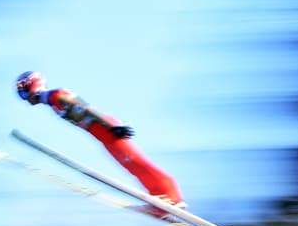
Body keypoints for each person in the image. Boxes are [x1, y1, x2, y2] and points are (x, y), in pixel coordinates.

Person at [14, 71, 185, 208]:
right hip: (101, 132)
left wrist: (112, 127)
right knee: (130, 165)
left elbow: (85, 107)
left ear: (32, 86)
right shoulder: (50, 101)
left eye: (23, 93)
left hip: (106, 128)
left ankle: (171, 196)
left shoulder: (56, 95)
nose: (25, 99)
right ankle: (160, 199)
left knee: (136, 161)